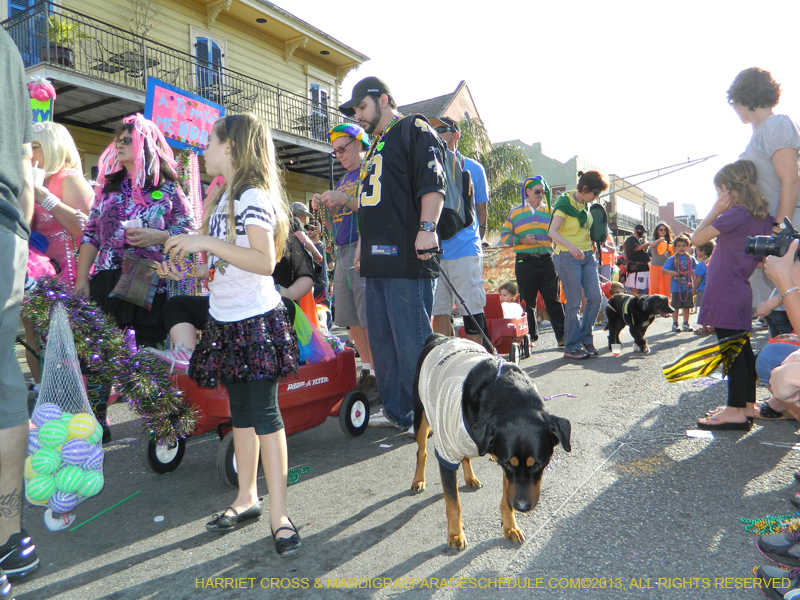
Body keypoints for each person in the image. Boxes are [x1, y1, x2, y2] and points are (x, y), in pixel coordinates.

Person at [162, 114, 302, 556]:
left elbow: (263, 261)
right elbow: (225, 264)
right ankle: (247, 498)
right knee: (240, 413)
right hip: (227, 322)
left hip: (255, 322)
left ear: (232, 147)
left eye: (210, 142)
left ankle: (279, 514)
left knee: (264, 415)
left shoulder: (252, 195)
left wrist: (202, 244)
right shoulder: (224, 197)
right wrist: (190, 266)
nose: (203, 149)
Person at [75, 114, 194, 439]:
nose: (120, 144)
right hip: (107, 276)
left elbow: (189, 228)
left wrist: (159, 237)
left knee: (146, 351)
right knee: (98, 351)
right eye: (119, 139)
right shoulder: (108, 187)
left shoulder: (168, 188)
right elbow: (90, 235)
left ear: (145, 145)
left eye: (128, 139)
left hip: (146, 276)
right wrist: (81, 279)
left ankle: (161, 419)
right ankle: (98, 421)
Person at [339, 76, 446, 432]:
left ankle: (425, 415)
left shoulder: (413, 128)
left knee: (412, 342)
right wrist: (362, 248)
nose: (358, 115)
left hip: (407, 259)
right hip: (376, 260)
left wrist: (427, 229)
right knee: (383, 345)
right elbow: (374, 203)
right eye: (355, 111)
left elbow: (434, 183)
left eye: (362, 107)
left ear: (383, 100)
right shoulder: (377, 144)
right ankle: (400, 412)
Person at [0, 27, 41, 592]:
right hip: (8, 226)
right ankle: (9, 536)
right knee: (5, 378)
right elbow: (28, 168)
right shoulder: (10, 51)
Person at [693, 160, 773, 430]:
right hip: (739, 288)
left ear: (726, 189)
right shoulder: (761, 217)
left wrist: (716, 209)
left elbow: (696, 237)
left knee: (732, 353)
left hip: (724, 290)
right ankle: (745, 406)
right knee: (743, 351)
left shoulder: (735, 214)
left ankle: (735, 411)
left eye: (719, 191)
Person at [23, 121, 93, 385]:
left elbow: (87, 228)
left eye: (34, 146)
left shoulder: (69, 179)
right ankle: (46, 395)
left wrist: (45, 198)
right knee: (34, 332)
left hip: (69, 272)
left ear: (51, 147)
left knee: (69, 338)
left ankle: (80, 402)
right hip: (35, 274)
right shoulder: (31, 179)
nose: (28, 152)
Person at [311, 124, 377, 396]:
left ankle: (378, 372)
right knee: (351, 318)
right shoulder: (342, 180)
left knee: (367, 316)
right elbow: (337, 216)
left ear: (359, 143)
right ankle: (367, 369)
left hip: (362, 247)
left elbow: (373, 207)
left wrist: (343, 198)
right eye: (336, 151)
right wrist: (322, 204)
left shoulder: (369, 171)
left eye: (343, 148)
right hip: (342, 250)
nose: (339, 155)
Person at [727, 68, 800, 312]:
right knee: (777, 323)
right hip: (770, 239)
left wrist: (779, 232)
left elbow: (790, 180)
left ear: (741, 98)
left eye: (734, 103)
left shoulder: (776, 125)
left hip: (784, 237)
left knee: (786, 324)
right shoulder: (758, 135)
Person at [428, 116, 491, 348]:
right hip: (436, 253)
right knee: (439, 311)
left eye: (441, 129)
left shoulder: (473, 167)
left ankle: (482, 362)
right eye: (433, 130)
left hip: (465, 250)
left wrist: (476, 242)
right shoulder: (427, 167)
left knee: (471, 310)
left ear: (456, 134)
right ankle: (447, 361)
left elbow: (481, 210)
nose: (436, 133)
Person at [548, 171, 608, 359]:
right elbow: (552, 232)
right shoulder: (564, 204)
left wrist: (592, 243)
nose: (596, 198)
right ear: (585, 189)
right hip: (567, 256)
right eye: (596, 193)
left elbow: (585, 228)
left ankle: (585, 338)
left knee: (595, 297)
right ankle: (571, 346)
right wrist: (571, 246)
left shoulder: (584, 204)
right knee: (574, 302)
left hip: (587, 255)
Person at [500, 176, 565, 346]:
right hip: (524, 262)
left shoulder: (551, 211)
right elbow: (504, 236)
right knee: (527, 302)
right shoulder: (515, 212)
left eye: (543, 192)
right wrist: (521, 241)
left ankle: (563, 337)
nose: (540, 195)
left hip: (547, 261)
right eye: (537, 192)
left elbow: (560, 233)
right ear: (527, 192)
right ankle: (530, 337)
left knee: (553, 299)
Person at [662, 234, 696, 332]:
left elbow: (697, 269)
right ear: (675, 247)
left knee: (687, 306)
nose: (681, 248)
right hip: (676, 287)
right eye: (679, 246)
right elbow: (664, 270)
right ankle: (675, 324)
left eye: (684, 245)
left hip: (687, 286)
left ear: (688, 246)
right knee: (675, 306)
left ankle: (686, 323)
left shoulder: (691, 259)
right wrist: (671, 272)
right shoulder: (672, 259)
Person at [692, 240, 714, 334]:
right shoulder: (712, 262)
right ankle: (712, 326)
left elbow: (698, 279)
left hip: (702, 289)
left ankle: (704, 327)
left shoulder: (701, 264)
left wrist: (693, 289)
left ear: (703, 251)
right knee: (712, 308)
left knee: (703, 308)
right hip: (712, 288)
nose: (696, 252)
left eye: (697, 250)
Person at [646, 221, 674, 296]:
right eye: (661, 229)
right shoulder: (653, 240)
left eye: (665, 230)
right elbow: (651, 245)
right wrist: (659, 240)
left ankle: (667, 303)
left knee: (666, 288)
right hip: (655, 266)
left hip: (667, 267)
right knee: (655, 288)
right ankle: (653, 304)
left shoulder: (670, 241)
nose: (663, 231)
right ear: (657, 231)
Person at [623, 224, 650, 295]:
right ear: (635, 231)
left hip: (643, 268)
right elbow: (636, 248)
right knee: (635, 289)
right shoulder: (631, 239)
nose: (642, 233)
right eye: (641, 231)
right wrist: (648, 244)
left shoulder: (641, 241)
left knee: (642, 289)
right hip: (635, 268)